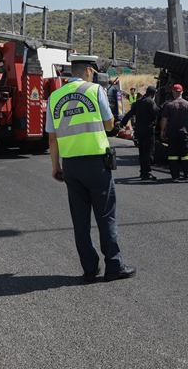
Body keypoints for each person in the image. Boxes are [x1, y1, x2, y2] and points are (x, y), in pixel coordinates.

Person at [47, 54, 136, 282]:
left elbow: (52, 138)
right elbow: (108, 125)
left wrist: (55, 166)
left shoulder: (55, 96)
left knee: (80, 220)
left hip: (71, 166)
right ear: (88, 70)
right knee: (105, 216)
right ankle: (114, 266)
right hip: (96, 162)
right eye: (93, 71)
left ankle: (89, 268)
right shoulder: (95, 90)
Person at [120, 85, 159, 181]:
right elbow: (155, 114)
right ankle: (146, 172)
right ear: (153, 94)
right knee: (149, 152)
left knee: (142, 152)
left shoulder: (138, 102)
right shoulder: (150, 102)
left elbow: (129, 113)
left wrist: (123, 123)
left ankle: (143, 171)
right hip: (148, 131)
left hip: (139, 131)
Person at [159, 84, 188, 182]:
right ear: (182, 92)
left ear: (173, 92)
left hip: (172, 133)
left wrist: (162, 131)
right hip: (184, 133)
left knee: (173, 156)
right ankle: (187, 176)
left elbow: (164, 119)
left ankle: (175, 177)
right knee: (186, 155)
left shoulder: (169, 105)